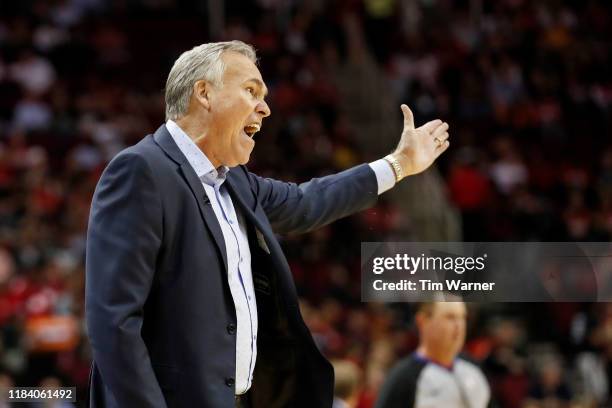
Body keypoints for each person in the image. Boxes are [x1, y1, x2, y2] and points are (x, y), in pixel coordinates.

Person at [85, 40, 450, 408]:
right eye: (251, 91)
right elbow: (113, 324)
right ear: (204, 93)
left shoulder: (236, 181)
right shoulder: (142, 171)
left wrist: (398, 165)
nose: (265, 107)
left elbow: (309, 202)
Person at [375, 301, 490, 408]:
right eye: (450, 317)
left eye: (462, 317)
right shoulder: (403, 377)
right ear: (422, 321)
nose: (459, 326)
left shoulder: (474, 367)